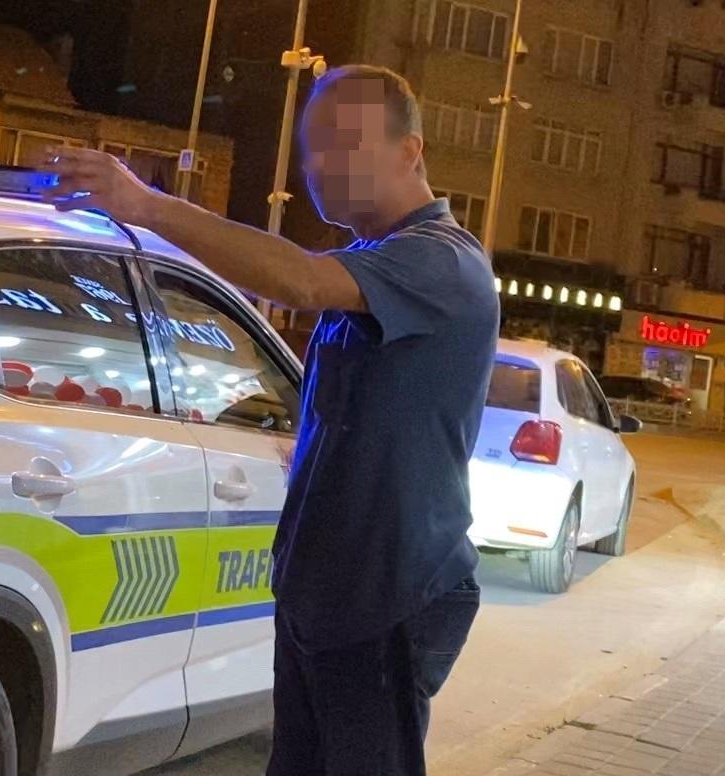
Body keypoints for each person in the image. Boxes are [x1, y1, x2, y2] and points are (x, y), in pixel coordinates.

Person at [43, 64, 499, 776]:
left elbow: (301, 280)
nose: (319, 165)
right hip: (329, 591)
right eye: (312, 148)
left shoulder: (441, 261)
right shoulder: (375, 261)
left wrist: (148, 205)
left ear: (410, 151)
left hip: (387, 593)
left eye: (343, 143)